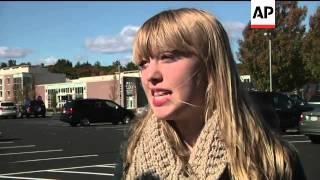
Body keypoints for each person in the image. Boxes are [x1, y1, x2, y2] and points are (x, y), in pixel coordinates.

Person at [114, 8, 306, 180]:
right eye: (143, 63)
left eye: (167, 57)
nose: (151, 75)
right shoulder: (132, 154)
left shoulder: (274, 161)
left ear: (211, 65)